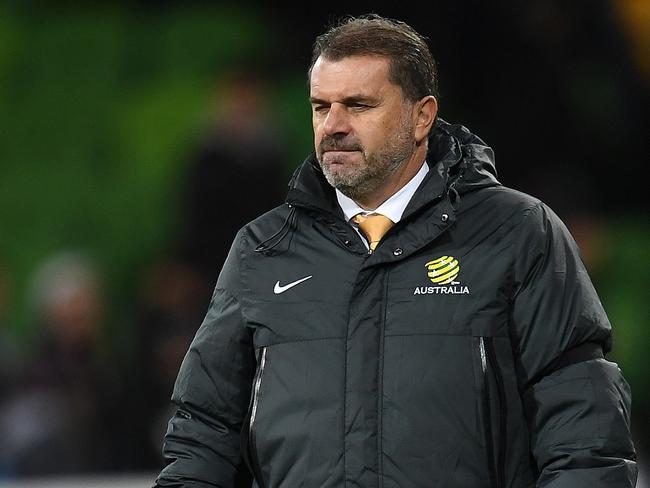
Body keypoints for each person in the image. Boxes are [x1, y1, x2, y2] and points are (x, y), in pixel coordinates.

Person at [154, 14, 638, 487]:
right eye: (321, 107)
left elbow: (584, 433)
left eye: (359, 105)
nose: (333, 126)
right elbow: (203, 435)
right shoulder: (262, 249)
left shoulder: (517, 233)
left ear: (421, 115)